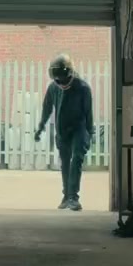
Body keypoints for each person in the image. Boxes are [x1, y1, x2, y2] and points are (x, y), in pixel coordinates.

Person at [34, 54, 94, 211]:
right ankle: (66, 195)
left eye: (62, 78)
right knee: (65, 162)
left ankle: (74, 197)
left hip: (79, 128)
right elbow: (47, 109)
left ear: (70, 73)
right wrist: (40, 127)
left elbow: (89, 113)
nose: (60, 82)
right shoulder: (53, 88)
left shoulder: (83, 88)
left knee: (77, 159)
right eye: (57, 79)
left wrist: (90, 133)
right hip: (62, 129)